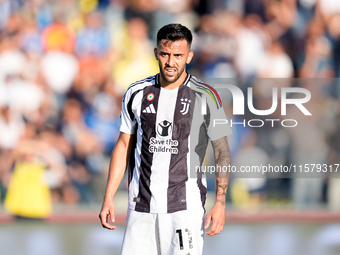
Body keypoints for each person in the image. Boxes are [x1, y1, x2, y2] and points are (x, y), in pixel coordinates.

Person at [99, 23, 232, 255]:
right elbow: (123, 146)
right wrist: (109, 196)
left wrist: (220, 203)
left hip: (184, 209)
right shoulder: (136, 93)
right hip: (141, 207)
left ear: (189, 56)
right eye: (165, 54)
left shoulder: (206, 96)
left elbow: (222, 151)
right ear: (156, 54)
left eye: (178, 55)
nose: (171, 62)